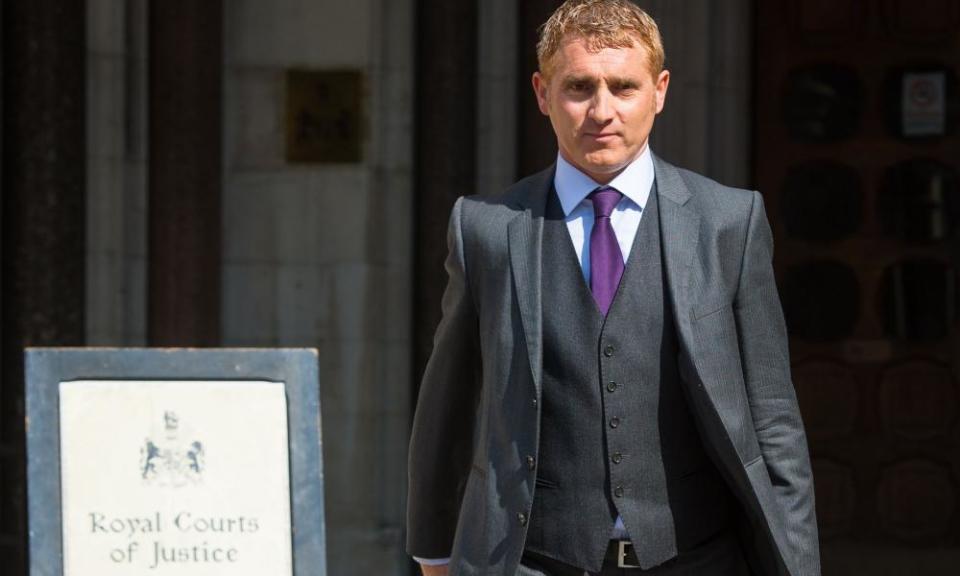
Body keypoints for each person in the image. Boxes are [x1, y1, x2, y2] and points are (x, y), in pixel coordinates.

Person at [406, 1, 819, 574]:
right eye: (579, 87)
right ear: (542, 93)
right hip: (532, 560)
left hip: (696, 559)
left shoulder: (729, 221)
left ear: (660, 91)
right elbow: (446, 403)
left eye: (623, 86)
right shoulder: (485, 228)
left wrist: (795, 561)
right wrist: (433, 552)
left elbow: (772, 413)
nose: (602, 111)